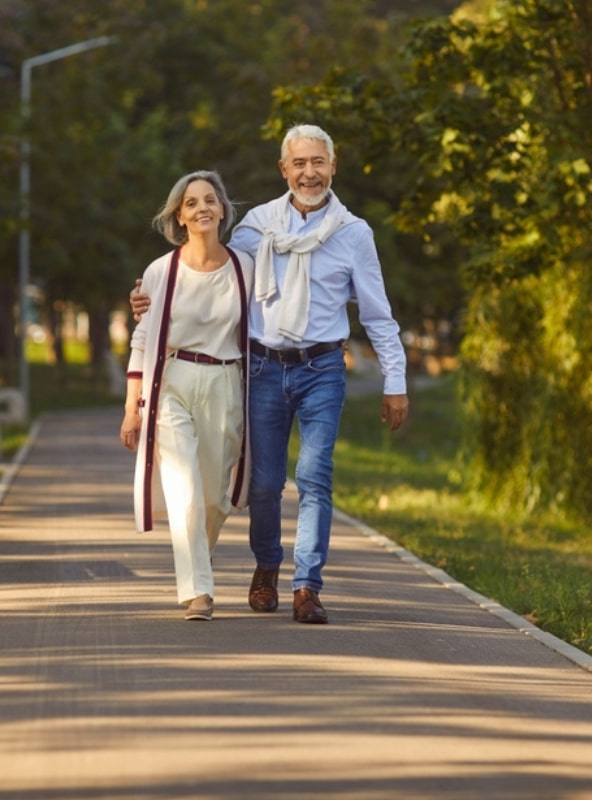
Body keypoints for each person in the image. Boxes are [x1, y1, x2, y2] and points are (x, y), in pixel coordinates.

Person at [132, 125, 408, 624]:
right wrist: (149, 301)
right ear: (284, 170)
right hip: (262, 367)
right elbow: (214, 277)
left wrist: (395, 381)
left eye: (318, 162)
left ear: (333, 165)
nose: (309, 173)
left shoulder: (354, 234)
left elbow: (377, 314)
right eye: (299, 163)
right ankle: (266, 567)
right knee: (263, 484)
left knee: (315, 476)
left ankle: (307, 585)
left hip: (323, 366)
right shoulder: (257, 227)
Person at [120, 170, 253, 621]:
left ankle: (198, 561)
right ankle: (198, 591)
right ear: (179, 215)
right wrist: (131, 410)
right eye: (192, 203)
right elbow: (142, 340)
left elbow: (270, 322)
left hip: (225, 381)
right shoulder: (161, 271)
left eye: (209, 200)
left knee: (216, 497)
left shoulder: (244, 267)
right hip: (172, 381)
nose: (202, 209)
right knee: (185, 489)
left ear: (222, 210)